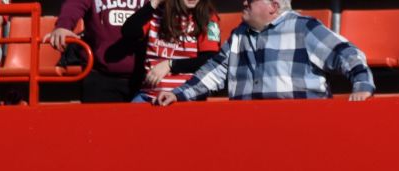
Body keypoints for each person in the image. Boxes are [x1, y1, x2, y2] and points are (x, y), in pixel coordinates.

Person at [158, 0, 374, 102]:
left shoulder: (303, 28)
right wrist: (178, 95)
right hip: (248, 133)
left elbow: (347, 54)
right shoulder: (238, 35)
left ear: (273, 6)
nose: (243, 2)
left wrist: (362, 86)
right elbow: (212, 72)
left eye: (250, 0)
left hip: (302, 132)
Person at [47, 0, 150, 102]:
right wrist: (64, 26)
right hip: (100, 75)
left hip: (146, 77)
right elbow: (74, 4)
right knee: (100, 118)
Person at [126, 0, 222, 100]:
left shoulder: (208, 17)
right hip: (149, 95)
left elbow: (210, 59)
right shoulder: (156, 13)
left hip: (185, 96)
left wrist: (170, 65)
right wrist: (155, 2)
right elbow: (129, 32)